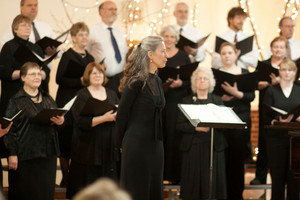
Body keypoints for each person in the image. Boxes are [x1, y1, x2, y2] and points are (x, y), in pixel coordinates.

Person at [115, 36, 167, 200]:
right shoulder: (135, 82)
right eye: (163, 51)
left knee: (154, 189)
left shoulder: (157, 80)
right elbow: (121, 115)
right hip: (136, 145)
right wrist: (119, 144)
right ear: (150, 55)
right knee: (136, 190)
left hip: (156, 144)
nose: (166, 55)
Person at [3, 62, 64, 200]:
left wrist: (61, 122)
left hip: (48, 154)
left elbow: (57, 124)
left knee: (45, 193)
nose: (37, 77)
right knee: (25, 193)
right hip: (25, 155)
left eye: (38, 74)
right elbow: (9, 129)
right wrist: (12, 153)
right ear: (23, 77)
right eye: (32, 74)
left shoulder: (48, 99)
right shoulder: (15, 100)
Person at [67, 62, 119, 198]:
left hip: (108, 146)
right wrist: (104, 118)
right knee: (87, 187)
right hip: (87, 147)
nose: (98, 75)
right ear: (87, 76)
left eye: (100, 72)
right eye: (94, 73)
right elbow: (79, 122)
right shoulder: (82, 95)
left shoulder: (112, 93)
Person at [176, 66, 227, 200]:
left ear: (210, 81)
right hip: (193, 146)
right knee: (193, 183)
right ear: (194, 82)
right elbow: (179, 125)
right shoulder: (187, 100)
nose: (202, 81)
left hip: (213, 146)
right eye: (199, 78)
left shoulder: (217, 100)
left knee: (211, 183)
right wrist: (196, 128)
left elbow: (224, 124)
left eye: (205, 78)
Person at [55, 22, 94, 187]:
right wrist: (80, 80)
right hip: (68, 100)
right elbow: (59, 79)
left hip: (84, 101)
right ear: (73, 38)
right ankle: (65, 177)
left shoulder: (91, 58)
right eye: (80, 35)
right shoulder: (67, 55)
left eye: (86, 34)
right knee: (66, 137)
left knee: (81, 137)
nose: (84, 37)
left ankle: (78, 178)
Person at [216, 42, 255, 199]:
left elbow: (251, 96)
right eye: (224, 53)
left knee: (237, 159)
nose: (227, 56)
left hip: (240, 120)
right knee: (222, 158)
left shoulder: (244, 72)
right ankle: (222, 194)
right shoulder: (216, 74)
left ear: (236, 54)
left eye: (229, 53)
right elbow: (212, 97)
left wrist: (236, 93)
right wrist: (221, 98)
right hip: (221, 120)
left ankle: (237, 194)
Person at [251, 36, 288, 185]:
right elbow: (253, 83)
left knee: (282, 141)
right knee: (263, 139)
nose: (278, 50)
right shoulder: (264, 65)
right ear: (271, 48)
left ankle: (282, 177)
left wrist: (281, 82)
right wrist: (265, 84)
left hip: (284, 107)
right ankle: (260, 176)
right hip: (266, 105)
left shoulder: (288, 65)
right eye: (276, 47)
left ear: (285, 49)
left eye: (281, 47)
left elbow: (295, 85)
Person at [263, 58, 300, 200]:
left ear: (295, 72)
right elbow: (265, 115)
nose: (287, 73)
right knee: (277, 178)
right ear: (279, 71)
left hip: (296, 139)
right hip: (276, 139)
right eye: (284, 69)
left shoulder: (299, 90)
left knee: (294, 179)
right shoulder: (271, 91)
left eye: (290, 70)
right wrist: (277, 120)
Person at [159, 25, 191, 184]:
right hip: (160, 100)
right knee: (161, 135)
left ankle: (175, 175)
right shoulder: (158, 53)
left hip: (178, 100)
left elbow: (190, 79)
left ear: (176, 39)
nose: (169, 39)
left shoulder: (184, 56)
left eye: (172, 37)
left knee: (175, 137)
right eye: (166, 36)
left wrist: (181, 83)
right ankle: (162, 174)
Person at [87, 0, 128, 78]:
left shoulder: (120, 32)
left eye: (115, 9)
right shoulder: (92, 31)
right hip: (101, 78)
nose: (114, 12)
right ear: (101, 12)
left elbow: (125, 53)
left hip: (120, 78)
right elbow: (86, 54)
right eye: (111, 9)